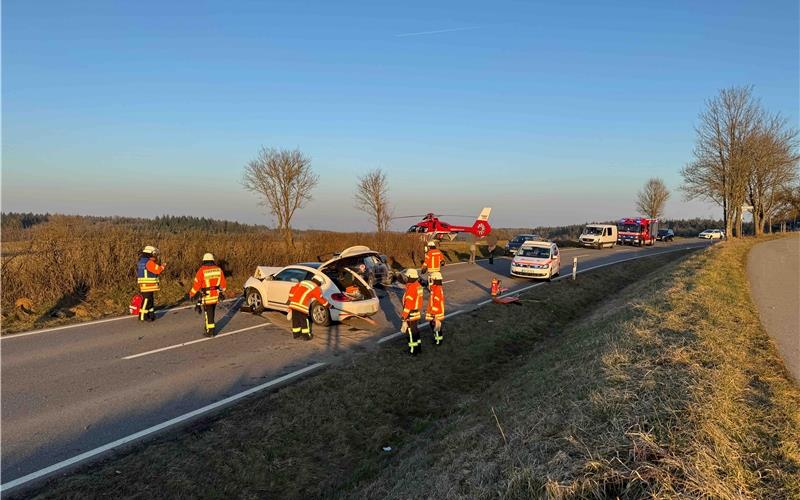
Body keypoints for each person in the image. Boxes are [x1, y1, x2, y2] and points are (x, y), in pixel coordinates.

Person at [188, 253, 227, 337]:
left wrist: (191, 294)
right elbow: (223, 284)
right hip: (216, 295)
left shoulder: (201, 270)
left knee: (208, 313)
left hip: (207, 296)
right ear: (212, 260)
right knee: (212, 312)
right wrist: (221, 291)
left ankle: (210, 332)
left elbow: (196, 285)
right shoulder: (218, 269)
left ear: (204, 260)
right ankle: (210, 328)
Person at [288, 275, 330, 340]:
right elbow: (320, 298)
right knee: (304, 321)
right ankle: (306, 336)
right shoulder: (315, 288)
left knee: (295, 320)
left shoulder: (303, 282)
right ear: (319, 282)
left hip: (293, 304)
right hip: (302, 306)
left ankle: (296, 335)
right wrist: (328, 305)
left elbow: (292, 289)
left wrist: (291, 299)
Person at [136, 245, 166, 322]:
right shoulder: (149, 263)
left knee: (150, 300)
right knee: (146, 300)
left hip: (145, 285)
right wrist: (163, 266)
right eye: (154, 254)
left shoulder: (142, 261)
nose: (155, 256)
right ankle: (143, 316)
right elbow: (158, 270)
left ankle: (151, 314)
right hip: (148, 285)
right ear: (150, 254)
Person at [401, 268, 424, 355]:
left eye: (407, 277)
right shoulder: (418, 286)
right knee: (415, 330)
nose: (406, 278)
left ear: (410, 277)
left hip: (410, 313)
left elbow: (408, 304)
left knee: (410, 332)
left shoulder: (411, 288)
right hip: (416, 311)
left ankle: (413, 351)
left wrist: (404, 315)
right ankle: (418, 348)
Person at [426, 271, 445, 345]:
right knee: (435, 326)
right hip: (436, 312)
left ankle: (438, 341)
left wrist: (434, 315)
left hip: (436, 313)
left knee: (435, 326)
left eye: (433, 279)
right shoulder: (437, 287)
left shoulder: (437, 289)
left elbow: (436, 303)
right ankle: (438, 339)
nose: (432, 280)